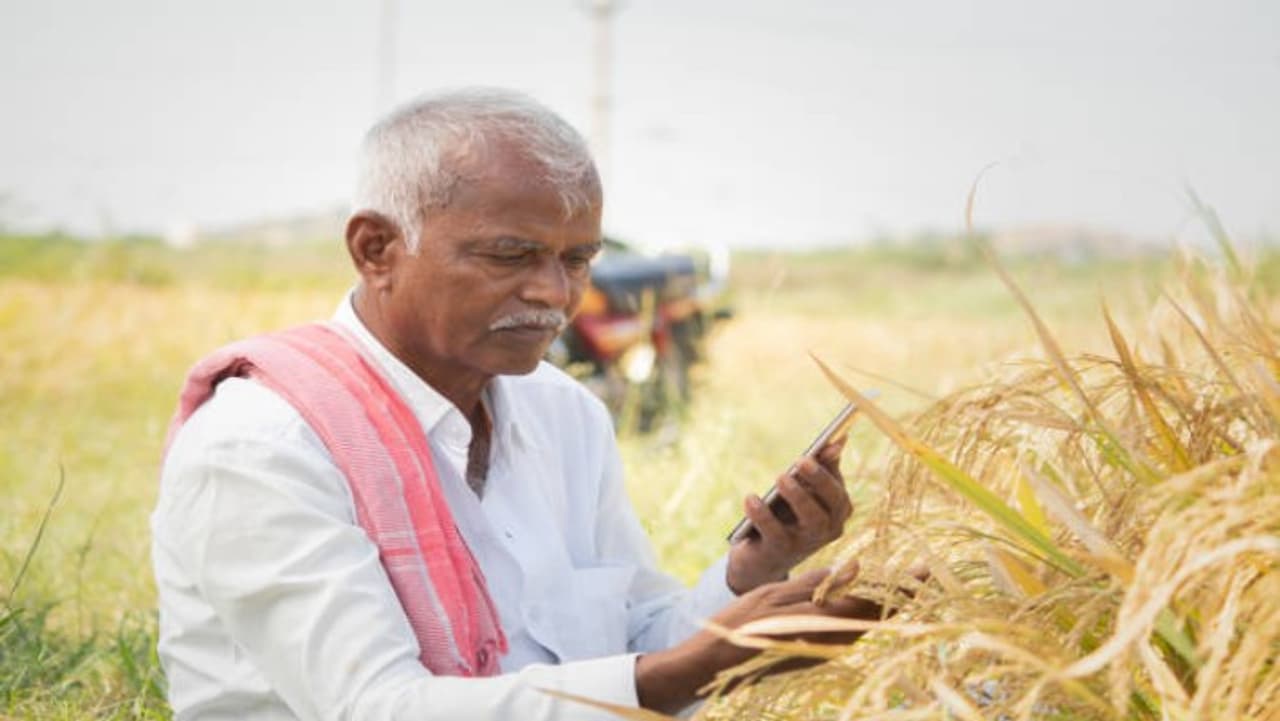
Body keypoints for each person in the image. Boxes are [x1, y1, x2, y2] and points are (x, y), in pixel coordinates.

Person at [151, 87, 881, 720]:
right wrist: (693, 665)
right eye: (510, 255)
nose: (555, 294)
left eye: (576, 259)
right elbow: (375, 706)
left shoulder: (561, 413)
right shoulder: (261, 443)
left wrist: (751, 578)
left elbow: (628, 651)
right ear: (377, 249)